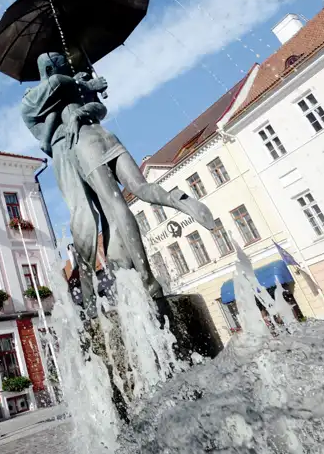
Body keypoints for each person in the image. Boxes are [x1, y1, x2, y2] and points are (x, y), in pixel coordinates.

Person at [21, 52, 215, 319]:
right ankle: (175, 199)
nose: (65, 64)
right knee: (137, 189)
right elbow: (77, 101)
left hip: (79, 146)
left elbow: (91, 109)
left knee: (95, 215)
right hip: (100, 139)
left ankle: (124, 289)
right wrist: (85, 89)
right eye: (61, 63)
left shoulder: (61, 89)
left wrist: (77, 107)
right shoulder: (56, 90)